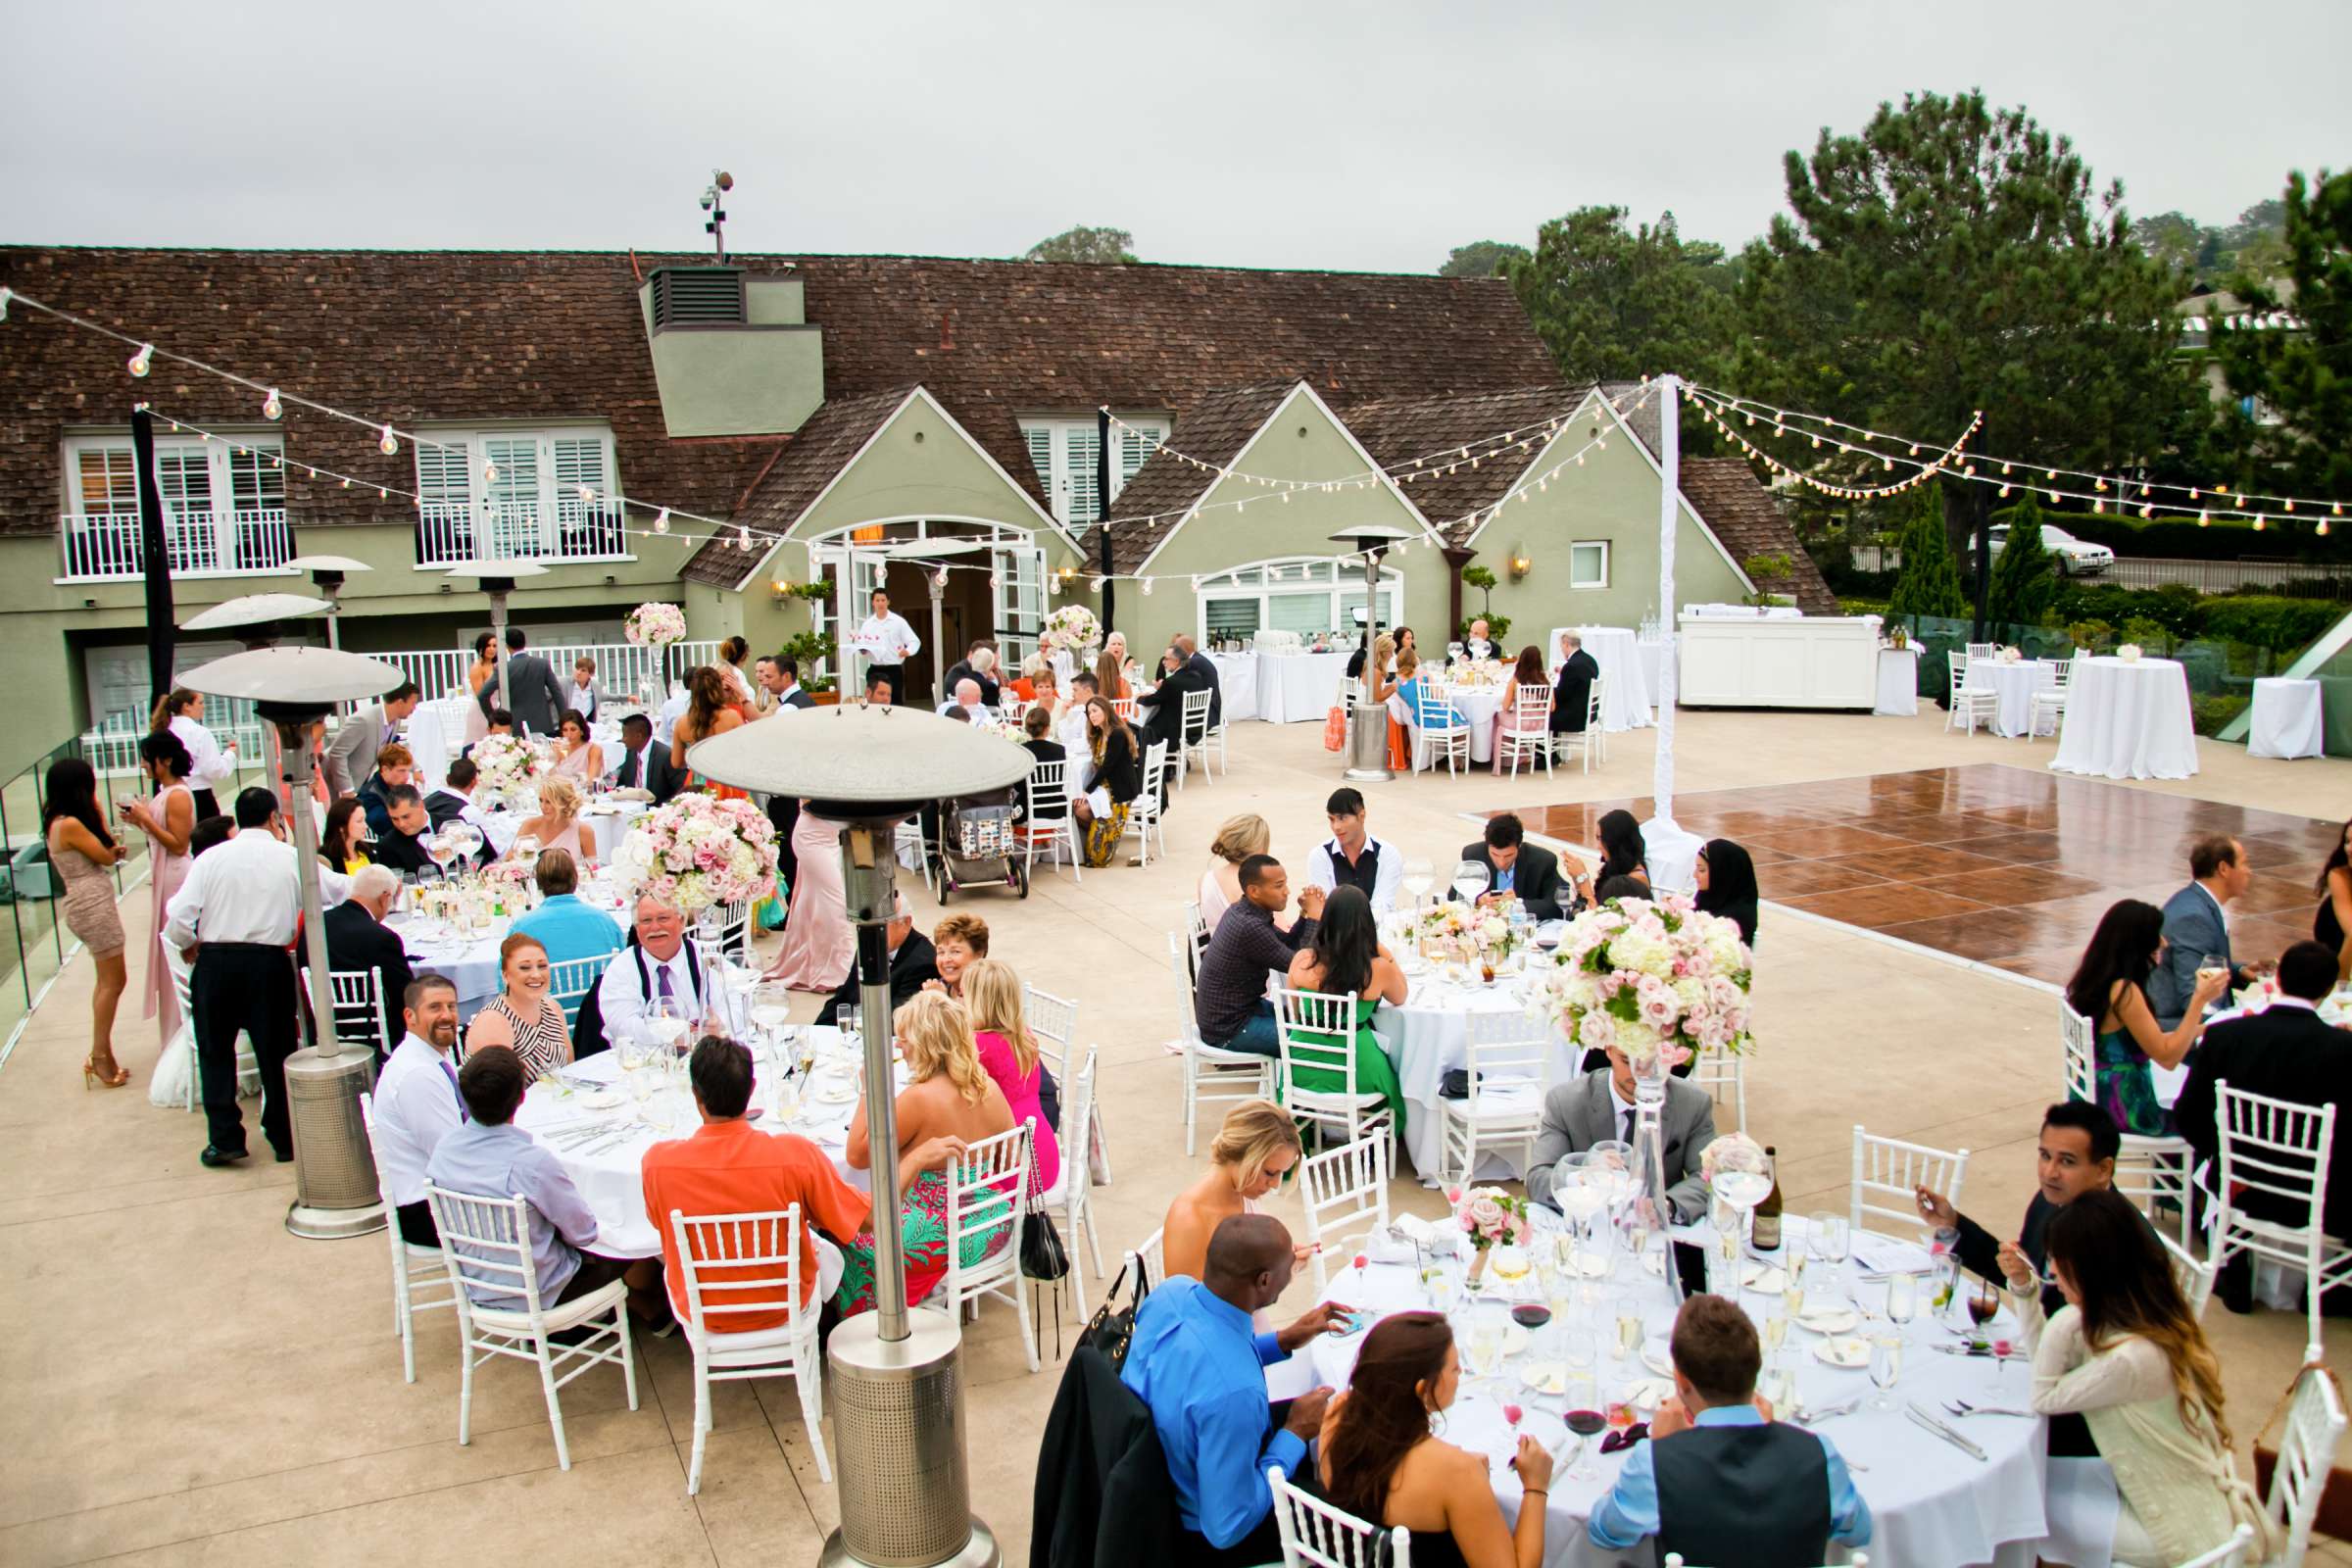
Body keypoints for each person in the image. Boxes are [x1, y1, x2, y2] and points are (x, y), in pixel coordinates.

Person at [2019, 1191, 2276, 1567]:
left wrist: (2064, 1316)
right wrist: (2027, 1293)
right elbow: (2045, 1363)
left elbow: (2044, 1396)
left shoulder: (2130, 1358)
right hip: (2167, 1491)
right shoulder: (2133, 1316)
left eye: (2059, 1260)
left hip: (2168, 1527)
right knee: (2035, 1487)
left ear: (2090, 1268)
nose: (2051, 1270)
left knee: (2022, 1505)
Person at [1119, 1212, 1350, 1565]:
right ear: (1264, 1281)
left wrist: (1285, 1339)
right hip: (1201, 1532)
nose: (1292, 1274)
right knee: (1345, 1515)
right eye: (1289, 1268)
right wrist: (1294, 1433)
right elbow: (1226, 1526)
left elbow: (1203, 1357)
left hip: (1162, 1461)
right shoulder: (1236, 1392)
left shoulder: (1172, 1293)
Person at [1589, 1293, 1872, 1563]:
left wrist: (1659, 1445)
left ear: (1681, 1380)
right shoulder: (1819, 1455)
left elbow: (1605, 1532)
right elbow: (1859, 1532)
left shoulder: (1654, 1466)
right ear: (1755, 1371)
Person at [641, 1034, 873, 1331]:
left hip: (702, 1310)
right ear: (751, 1090)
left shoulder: (658, 1164)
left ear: (695, 1095)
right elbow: (862, 1220)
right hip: (784, 1304)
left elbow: (657, 1224)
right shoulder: (794, 1154)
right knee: (822, 1246)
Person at [425, 1045, 666, 1326]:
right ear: (521, 1098)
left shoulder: (442, 1153)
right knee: (632, 1238)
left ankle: (637, 1304)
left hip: (479, 1286)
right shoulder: (532, 1164)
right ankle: (650, 1302)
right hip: (545, 1294)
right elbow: (584, 1234)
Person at [1321, 1311, 1554, 1568]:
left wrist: (1455, 1469)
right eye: (1455, 1368)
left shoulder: (1338, 1411)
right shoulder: (1457, 1472)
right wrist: (1535, 1487)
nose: (1461, 1372)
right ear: (1422, 1389)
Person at [836, 991, 1017, 1314]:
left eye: (904, 1039)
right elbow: (1009, 1158)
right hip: (989, 1222)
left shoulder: (918, 1099)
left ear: (926, 1043)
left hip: (937, 1237)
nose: (900, 1046)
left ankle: (875, 1316)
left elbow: (857, 1156)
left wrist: (868, 1088)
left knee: (841, 1232)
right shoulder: (989, 1087)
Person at [2174, 940, 2351, 1245]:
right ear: (2327, 991)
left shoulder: (2224, 1036)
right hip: (2317, 1204)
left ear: (2278, 980)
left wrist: (2226, 1157)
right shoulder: (2344, 1050)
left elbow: (2188, 1114)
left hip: (2239, 1187)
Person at [165, 787, 305, 1165]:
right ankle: (284, 1138)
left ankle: (225, 1137)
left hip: (217, 962)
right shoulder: (290, 856)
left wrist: (187, 943)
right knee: (277, 1052)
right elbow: (326, 895)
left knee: (215, 1052)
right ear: (274, 817)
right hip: (267, 963)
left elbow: (178, 916)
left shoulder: (211, 859)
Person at [2066, 899, 2225, 1137]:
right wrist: (2199, 1000)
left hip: (2097, 1091)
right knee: (2207, 1120)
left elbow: (2153, 1039)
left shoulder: (2099, 979)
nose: (2164, 942)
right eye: (2157, 936)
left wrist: (2209, 1028)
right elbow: (2167, 1057)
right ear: (2139, 943)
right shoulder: (2125, 991)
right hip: (2124, 1104)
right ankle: (2180, 1174)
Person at [1526, 1045, 1718, 1222]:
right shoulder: (1567, 1101)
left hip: (1657, 1232)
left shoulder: (1693, 1103)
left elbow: (1708, 1178)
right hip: (1588, 1229)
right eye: (1627, 1061)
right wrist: (1582, 1175)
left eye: (1653, 1062)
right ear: (1608, 1051)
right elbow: (1538, 1179)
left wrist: (1667, 1206)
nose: (1640, 1073)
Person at [1283, 886, 1408, 1128]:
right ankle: (1373, 1142)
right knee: (1396, 1078)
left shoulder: (1302, 960)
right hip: (1357, 1068)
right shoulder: (1377, 968)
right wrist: (1383, 951)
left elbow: (1297, 1013)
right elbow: (1401, 995)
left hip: (1302, 1064)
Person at [45, 757, 131, 1089]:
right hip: (92, 904)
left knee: (108, 982)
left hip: (88, 901)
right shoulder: (70, 824)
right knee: (113, 982)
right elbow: (107, 854)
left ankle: (104, 1054)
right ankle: (99, 1056)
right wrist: (96, 811)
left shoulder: (58, 821)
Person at [1160, 1100, 1304, 1283]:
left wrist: (1283, 1267)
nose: (1275, 1184)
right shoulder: (1189, 1217)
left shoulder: (1245, 1193)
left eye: (1281, 1174)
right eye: (1269, 1172)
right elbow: (1187, 1308)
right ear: (1243, 1156)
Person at [1196, 855, 1325, 1054]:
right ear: (1254, 891)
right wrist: (1316, 917)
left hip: (1244, 1010)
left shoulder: (1244, 911)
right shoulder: (1248, 926)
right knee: (1314, 1043)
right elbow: (1301, 966)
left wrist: (1305, 914)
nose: (1287, 892)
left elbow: (1288, 943)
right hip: (1229, 1029)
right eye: (1279, 886)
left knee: (1315, 1022)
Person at [372, 975, 466, 1247]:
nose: (447, 1015)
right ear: (409, 1016)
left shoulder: (426, 1056)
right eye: (435, 1007)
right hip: (426, 1211)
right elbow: (451, 1158)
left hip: (431, 1197)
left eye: (452, 1006)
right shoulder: (418, 1074)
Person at [123, 730, 197, 1051]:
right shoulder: (165, 792)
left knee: (176, 946)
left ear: (164, 761)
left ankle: (181, 1032)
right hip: (164, 871)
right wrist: (141, 821)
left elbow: (179, 845)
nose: (142, 764)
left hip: (175, 875)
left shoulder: (179, 795)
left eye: (146, 758)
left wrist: (145, 821)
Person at [962, 957, 1059, 1196]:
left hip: (1007, 1164)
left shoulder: (976, 1045)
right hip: (1043, 1153)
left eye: (963, 996)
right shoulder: (1023, 1036)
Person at [2147, 834, 2259, 1028]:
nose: (2249, 871)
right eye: (2244, 863)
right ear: (2224, 868)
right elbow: (2196, 1000)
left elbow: (2199, 964)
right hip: (2176, 1028)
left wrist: (2239, 971)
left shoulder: (2194, 901)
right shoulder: (2194, 918)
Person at [316, 864, 414, 1054]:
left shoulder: (317, 926)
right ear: (385, 897)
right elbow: (406, 992)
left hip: (326, 1026)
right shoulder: (382, 937)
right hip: (374, 1029)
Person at [599, 895, 722, 1042]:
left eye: (663, 918)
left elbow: (734, 1000)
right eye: (646, 921)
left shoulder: (704, 955)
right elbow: (622, 1026)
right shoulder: (621, 969)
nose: (655, 927)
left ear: (681, 921)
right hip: (644, 1058)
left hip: (703, 1055)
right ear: (637, 928)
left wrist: (719, 1024)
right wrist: (680, 1034)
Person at [767, 788, 855, 994]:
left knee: (809, 902)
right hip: (812, 838)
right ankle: (843, 969)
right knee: (837, 902)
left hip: (830, 838)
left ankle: (810, 964)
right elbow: (810, 800)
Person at [816, 892, 938, 1025]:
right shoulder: (869, 945)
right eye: (870, 923)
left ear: (906, 923)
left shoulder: (923, 963)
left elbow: (895, 1020)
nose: (873, 932)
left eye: (882, 924)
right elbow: (844, 996)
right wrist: (817, 1029)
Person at [465, 932, 572, 1082]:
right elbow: (497, 1094)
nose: (536, 974)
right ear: (505, 976)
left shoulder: (553, 1008)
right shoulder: (494, 1022)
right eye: (525, 967)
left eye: (542, 966)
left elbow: (571, 1069)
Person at [511, 847, 625, 976]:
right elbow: (625, 969)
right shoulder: (605, 921)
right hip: (600, 995)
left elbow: (505, 981)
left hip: (542, 995)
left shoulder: (522, 928)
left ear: (539, 883)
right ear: (575, 879)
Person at [1452, 811, 1569, 919]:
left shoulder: (1542, 861)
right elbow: (1452, 900)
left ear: (1519, 847)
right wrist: (1476, 901)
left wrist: (1517, 904)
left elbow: (1556, 907)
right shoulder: (1474, 856)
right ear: (1487, 846)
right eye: (1495, 854)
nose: (1501, 862)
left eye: (1508, 856)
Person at [1305, 787, 1400, 916]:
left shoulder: (1387, 853)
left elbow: (1383, 906)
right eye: (1332, 819)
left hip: (1377, 931)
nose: (1336, 827)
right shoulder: (1320, 856)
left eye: (1342, 818)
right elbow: (1325, 908)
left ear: (1362, 816)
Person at [1072, 694, 1142, 868]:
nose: (1092, 716)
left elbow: (1107, 767)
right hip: (1104, 788)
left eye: (1095, 711)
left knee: (1097, 861)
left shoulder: (1117, 734)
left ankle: (1108, 833)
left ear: (1106, 710)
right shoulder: (1098, 734)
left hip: (1119, 790)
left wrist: (1087, 791)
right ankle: (1102, 831)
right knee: (1077, 808)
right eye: (1089, 713)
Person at [153, 687, 237, 819]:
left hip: (167, 797)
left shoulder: (163, 731)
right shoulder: (199, 732)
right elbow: (213, 769)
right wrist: (230, 755)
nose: (204, 707)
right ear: (187, 706)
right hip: (198, 798)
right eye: (201, 703)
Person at [326, 680, 421, 797]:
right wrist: (346, 790)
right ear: (400, 702)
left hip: (361, 782)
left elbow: (391, 749)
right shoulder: (364, 720)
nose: (414, 708)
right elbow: (337, 753)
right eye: (413, 703)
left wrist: (415, 769)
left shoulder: (395, 720)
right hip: (336, 784)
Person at [669, 664, 747, 798]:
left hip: (697, 784)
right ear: (718, 688)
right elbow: (745, 753)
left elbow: (676, 763)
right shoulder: (732, 716)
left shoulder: (682, 723)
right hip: (729, 782)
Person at [481, 627, 562, 738]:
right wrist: (564, 720)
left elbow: (483, 695)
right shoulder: (542, 664)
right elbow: (557, 693)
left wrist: (493, 719)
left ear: (506, 645)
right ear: (524, 642)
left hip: (515, 724)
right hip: (543, 722)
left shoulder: (503, 668)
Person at [1198, 813, 1271, 933]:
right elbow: (1278, 931)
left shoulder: (1205, 879)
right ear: (1260, 848)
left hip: (1216, 947)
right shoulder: (1254, 884)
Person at [853, 587, 921, 704]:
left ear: (888, 602)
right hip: (875, 669)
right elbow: (862, 644)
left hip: (893, 669)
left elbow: (914, 641)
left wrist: (908, 651)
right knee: (873, 702)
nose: (880, 603)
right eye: (877, 600)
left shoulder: (898, 622)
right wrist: (863, 650)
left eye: (883, 600)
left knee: (894, 702)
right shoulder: (867, 624)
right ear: (873, 602)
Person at [508, 775, 588, 864]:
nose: (543, 807)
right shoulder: (530, 825)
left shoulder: (583, 830)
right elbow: (509, 862)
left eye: (548, 802)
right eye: (541, 800)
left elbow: (593, 868)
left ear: (563, 803)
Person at [1693, 838, 1760, 946]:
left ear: (1722, 874)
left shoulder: (1736, 918)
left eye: (1701, 870)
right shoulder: (1707, 896)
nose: (1694, 875)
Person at [1395, 650, 1466, 745]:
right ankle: (1455, 757)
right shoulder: (1424, 676)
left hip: (1419, 720)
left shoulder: (1396, 682)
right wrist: (1442, 692)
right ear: (1414, 660)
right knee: (1461, 719)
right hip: (1436, 718)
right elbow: (1439, 698)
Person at [368, 784, 440, 877]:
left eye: (406, 816)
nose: (401, 824)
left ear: (421, 806)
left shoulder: (449, 824)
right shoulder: (387, 846)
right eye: (394, 819)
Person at [610, 713, 680, 803]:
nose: (622, 740)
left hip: (656, 810)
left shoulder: (665, 755)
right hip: (632, 808)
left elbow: (682, 789)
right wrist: (598, 783)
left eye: (625, 735)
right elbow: (619, 774)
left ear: (638, 736)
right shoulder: (632, 753)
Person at [1016, 704, 1067, 824]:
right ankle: (1046, 839)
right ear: (1047, 728)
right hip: (1057, 808)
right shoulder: (1059, 749)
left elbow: (1018, 786)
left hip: (1028, 810)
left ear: (1027, 728)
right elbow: (1060, 781)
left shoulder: (1022, 750)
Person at [2314, 816, 2351, 980]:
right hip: (2338, 951)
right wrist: (2342, 988)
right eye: (2347, 841)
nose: (2349, 848)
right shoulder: (2339, 876)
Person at [356, 742, 416, 839]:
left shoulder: (395, 786)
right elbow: (381, 825)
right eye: (401, 771)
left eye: (408, 770)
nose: (407, 776)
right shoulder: (368, 795)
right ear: (385, 769)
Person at [1550, 631, 1600, 743]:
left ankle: (1547, 755)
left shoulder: (1571, 666)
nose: (1561, 649)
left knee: (1541, 715)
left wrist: (1548, 690)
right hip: (1590, 712)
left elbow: (1561, 695)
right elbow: (1580, 681)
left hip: (1575, 716)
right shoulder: (1590, 660)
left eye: (1562, 646)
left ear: (1567, 644)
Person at [927, 911, 989, 999]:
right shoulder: (938, 987)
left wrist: (941, 1004)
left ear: (979, 954)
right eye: (941, 952)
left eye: (955, 952)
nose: (946, 959)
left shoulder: (990, 992)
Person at [942, 641, 1003, 710]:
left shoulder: (969, 674)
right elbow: (994, 709)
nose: (999, 657)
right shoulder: (960, 670)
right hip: (964, 711)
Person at [462, 631, 498, 748]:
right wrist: (491, 716)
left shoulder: (496, 666)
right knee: (479, 745)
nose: (492, 649)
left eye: (494, 646)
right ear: (481, 647)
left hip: (495, 708)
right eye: (488, 645)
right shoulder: (477, 667)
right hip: (481, 710)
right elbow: (481, 695)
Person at [549, 710, 605, 783]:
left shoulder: (593, 749)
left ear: (582, 731)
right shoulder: (561, 749)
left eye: (573, 729)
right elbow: (549, 778)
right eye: (565, 730)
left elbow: (591, 780)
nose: (569, 734)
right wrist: (555, 757)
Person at [563, 656, 601, 723]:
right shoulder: (563, 683)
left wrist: (625, 696)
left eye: (583, 670)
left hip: (581, 727)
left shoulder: (594, 686)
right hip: (560, 726)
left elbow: (606, 696)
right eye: (577, 668)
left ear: (591, 674)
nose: (578, 672)